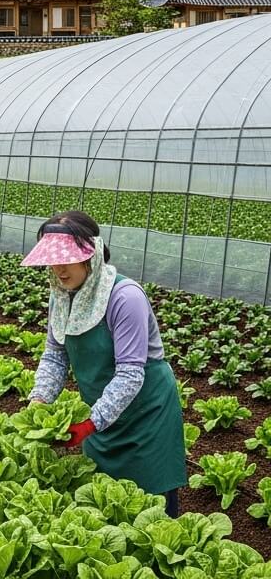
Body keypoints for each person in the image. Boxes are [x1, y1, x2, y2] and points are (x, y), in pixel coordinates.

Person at [24, 211, 186, 517]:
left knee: (153, 508)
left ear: (92, 254)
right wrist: (39, 399)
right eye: (52, 260)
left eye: (68, 259)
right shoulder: (61, 296)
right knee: (104, 503)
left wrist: (89, 423)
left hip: (146, 414)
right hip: (103, 414)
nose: (58, 269)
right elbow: (55, 354)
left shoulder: (125, 297)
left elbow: (129, 374)